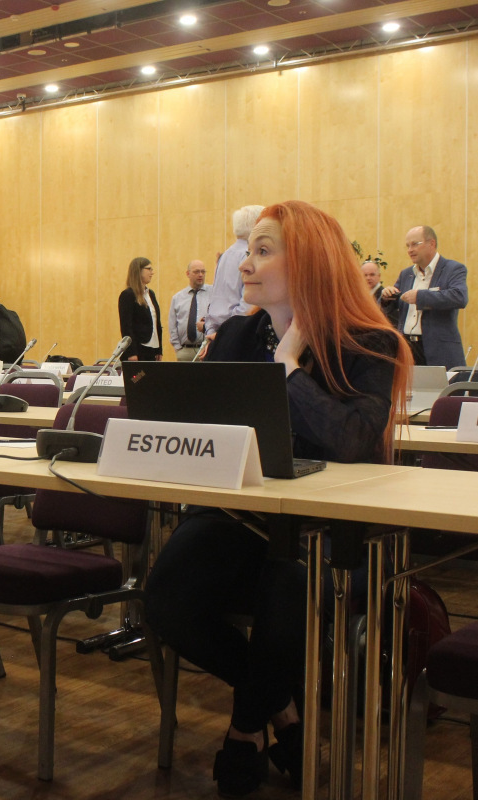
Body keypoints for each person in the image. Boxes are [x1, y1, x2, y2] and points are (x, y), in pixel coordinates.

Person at [144, 201, 411, 798]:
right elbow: (206, 431)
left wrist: (287, 368)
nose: (244, 264)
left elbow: (352, 440)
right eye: (248, 252)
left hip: (334, 535)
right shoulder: (237, 335)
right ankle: (282, 710)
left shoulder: (369, 342)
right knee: (165, 597)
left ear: (311, 263)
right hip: (241, 517)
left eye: (263, 252)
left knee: (288, 584)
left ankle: (244, 731)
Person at [381, 226, 468, 368]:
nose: (410, 250)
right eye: (408, 246)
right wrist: (386, 297)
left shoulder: (453, 269)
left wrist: (419, 296)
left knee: (439, 384)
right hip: (408, 349)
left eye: (415, 244)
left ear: (431, 244)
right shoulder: (406, 274)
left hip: (439, 351)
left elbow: (459, 297)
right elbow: (390, 306)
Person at [205, 205, 265, 338]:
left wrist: (212, 330)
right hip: (235, 331)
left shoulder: (225, 255)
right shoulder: (249, 256)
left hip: (217, 329)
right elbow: (248, 302)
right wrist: (229, 330)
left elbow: (215, 296)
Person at [117, 257, 162, 361]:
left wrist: (159, 349)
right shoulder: (128, 295)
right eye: (149, 269)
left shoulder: (151, 294)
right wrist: (131, 353)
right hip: (138, 349)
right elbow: (126, 327)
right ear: (138, 271)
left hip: (152, 349)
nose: (152, 272)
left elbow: (156, 323)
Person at [168, 259, 212, 362]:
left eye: (203, 272)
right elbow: (172, 325)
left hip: (207, 349)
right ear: (188, 274)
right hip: (185, 351)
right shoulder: (178, 298)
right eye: (196, 272)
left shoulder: (214, 294)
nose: (200, 275)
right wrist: (178, 348)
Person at [362, 260, 399, 328]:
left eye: (372, 275)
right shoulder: (360, 296)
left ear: (379, 276)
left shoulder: (386, 298)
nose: (368, 278)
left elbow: (392, 322)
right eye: (365, 275)